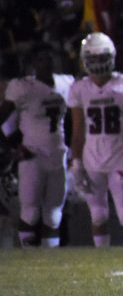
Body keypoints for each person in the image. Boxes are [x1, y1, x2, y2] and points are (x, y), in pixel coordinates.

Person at [69, 33, 123, 247]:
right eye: (95, 58)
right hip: (92, 158)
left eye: (103, 58)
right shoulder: (79, 88)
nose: (99, 63)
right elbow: (78, 130)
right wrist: (76, 163)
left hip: (119, 156)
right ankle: (103, 260)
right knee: (98, 215)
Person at [0, 45, 74, 248]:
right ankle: (28, 257)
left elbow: (73, 119)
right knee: (30, 212)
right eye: (41, 59)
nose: (47, 62)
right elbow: (2, 119)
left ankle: (48, 259)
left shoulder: (65, 83)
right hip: (32, 156)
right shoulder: (24, 87)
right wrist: (14, 145)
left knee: (54, 215)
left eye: (49, 58)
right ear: (33, 64)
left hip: (57, 155)